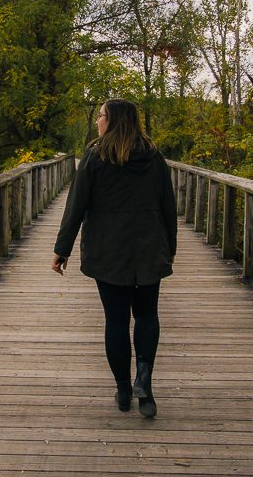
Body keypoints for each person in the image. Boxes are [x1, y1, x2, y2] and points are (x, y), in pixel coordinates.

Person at [51, 98, 177, 418]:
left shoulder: (95, 156)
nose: (98, 121)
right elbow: (168, 207)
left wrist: (62, 249)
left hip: (108, 252)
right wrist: (169, 248)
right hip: (148, 249)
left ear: (115, 120)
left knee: (116, 320)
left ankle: (123, 388)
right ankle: (144, 382)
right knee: (147, 315)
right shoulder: (153, 156)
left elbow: (75, 206)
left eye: (102, 116)